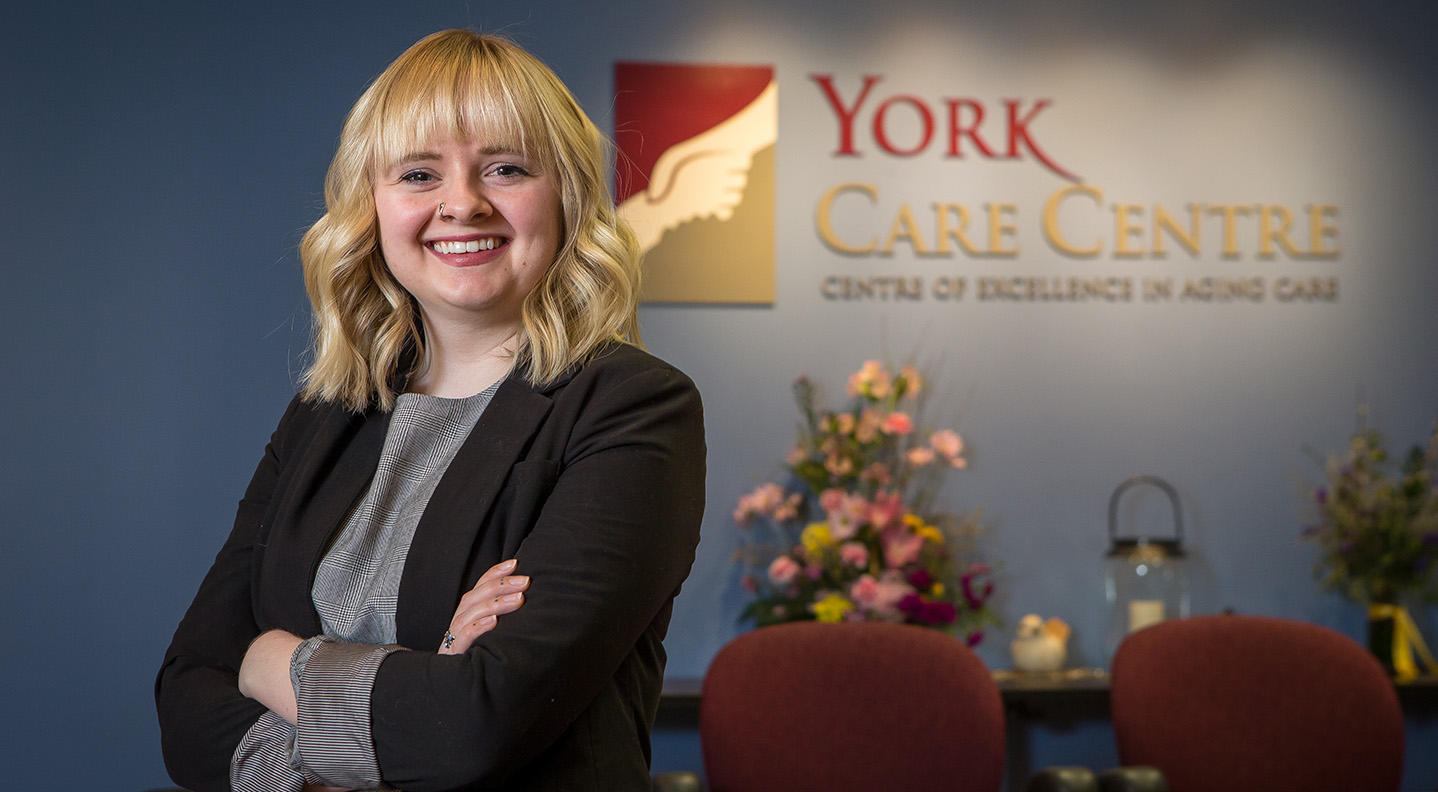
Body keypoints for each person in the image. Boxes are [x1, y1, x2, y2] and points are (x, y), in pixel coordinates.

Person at [155, 29, 706, 792]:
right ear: (372, 207)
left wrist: (267, 658)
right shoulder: (324, 415)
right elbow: (185, 701)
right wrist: (421, 679)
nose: (462, 204)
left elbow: (470, 728)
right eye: (418, 173)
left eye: (506, 168)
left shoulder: (631, 407)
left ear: (567, 195)